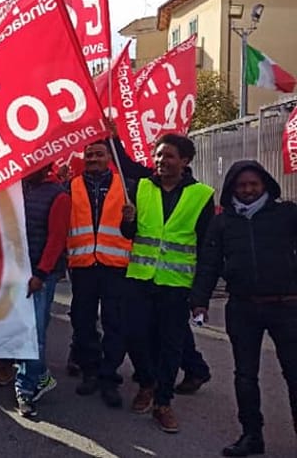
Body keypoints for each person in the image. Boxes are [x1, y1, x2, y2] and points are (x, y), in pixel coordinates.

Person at [192, 160, 297, 457]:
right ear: (232, 189)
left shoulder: (287, 214)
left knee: (295, 373)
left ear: (265, 184)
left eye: (253, 184)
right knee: (245, 376)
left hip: (287, 307)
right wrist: (199, 301)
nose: (248, 190)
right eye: (242, 185)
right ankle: (251, 435)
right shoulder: (222, 222)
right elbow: (209, 265)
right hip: (242, 308)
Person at [120, 133, 214, 434]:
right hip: (140, 278)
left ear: (185, 161)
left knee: (171, 344)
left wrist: (201, 293)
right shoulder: (141, 187)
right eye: (158, 155)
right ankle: (146, 382)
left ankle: (162, 402)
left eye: (169, 156)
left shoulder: (202, 195)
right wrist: (128, 221)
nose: (161, 161)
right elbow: (129, 233)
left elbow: (207, 247)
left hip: (176, 282)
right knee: (135, 335)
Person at [67, 140, 133, 408]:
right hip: (82, 266)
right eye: (89, 154)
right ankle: (90, 370)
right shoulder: (70, 186)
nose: (93, 158)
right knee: (82, 322)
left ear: (109, 157)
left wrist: (132, 218)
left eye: (99, 154)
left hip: (114, 266)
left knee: (114, 323)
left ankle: (109, 375)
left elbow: (134, 231)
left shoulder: (127, 187)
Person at [15, 164, 71, 418]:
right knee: (23, 329)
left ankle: (25, 389)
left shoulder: (58, 195)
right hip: (16, 273)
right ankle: (41, 375)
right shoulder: (17, 189)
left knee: (33, 333)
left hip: (39, 276)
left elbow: (56, 239)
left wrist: (41, 273)